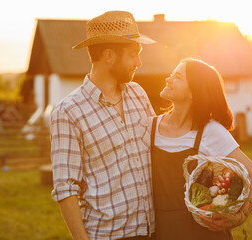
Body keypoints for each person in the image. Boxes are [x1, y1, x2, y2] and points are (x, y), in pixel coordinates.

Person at [50, 11, 157, 239]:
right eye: (133, 54)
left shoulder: (138, 94)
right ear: (108, 55)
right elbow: (66, 188)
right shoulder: (68, 111)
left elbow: (161, 147)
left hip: (152, 231)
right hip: (107, 235)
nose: (139, 63)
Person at [150, 58, 252, 239]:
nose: (168, 79)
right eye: (171, 74)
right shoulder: (150, 127)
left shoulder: (210, 131)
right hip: (162, 230)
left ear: (193, 92)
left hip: (203, 232)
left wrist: (239, 218)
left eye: (177, 77)